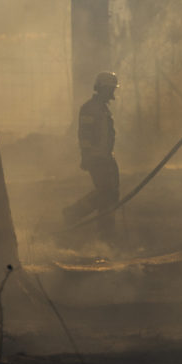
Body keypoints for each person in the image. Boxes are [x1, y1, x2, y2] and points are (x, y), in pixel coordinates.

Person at [63, 72, 120, 240]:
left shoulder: (103, 109)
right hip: (97, 158)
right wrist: (87, 156)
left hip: (106, 157)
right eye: (110, 89)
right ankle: (73, 212)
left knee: (111, 194)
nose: (112, 93)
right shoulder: (90, 108)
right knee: (105, 192)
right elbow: (84, 135)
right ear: (103, 88)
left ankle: (106, 231)